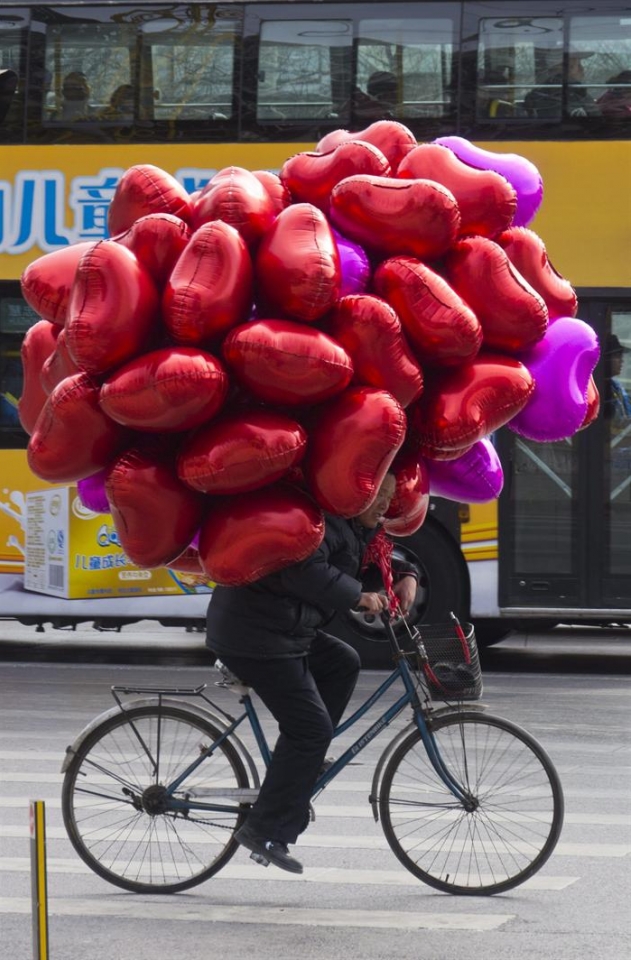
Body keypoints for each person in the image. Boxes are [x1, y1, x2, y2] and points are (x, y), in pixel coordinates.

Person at [205, 472, 418, 874]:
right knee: (310, 729)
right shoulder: (323, 524)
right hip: (255, 634)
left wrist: (408, 575)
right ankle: (264, 830)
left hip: (283, 629)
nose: (383, 506)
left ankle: (303, 761)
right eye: (376, 495)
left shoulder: (351, 524)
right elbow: (304, 572)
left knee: (343, 662)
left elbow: (370, 555)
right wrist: (357, 596)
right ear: (358, 492)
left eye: (389, 498)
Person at [525, 51, 600, 119]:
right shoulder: (554, 99)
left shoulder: (578, 93)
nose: (582, 69)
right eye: (578, 65)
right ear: (565, 69)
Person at [604, 333, 631, 420]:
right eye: (617, 356)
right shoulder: (600, 387)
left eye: (621, 356)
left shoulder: (616, 386)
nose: (622, 361)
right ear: (605, 359)